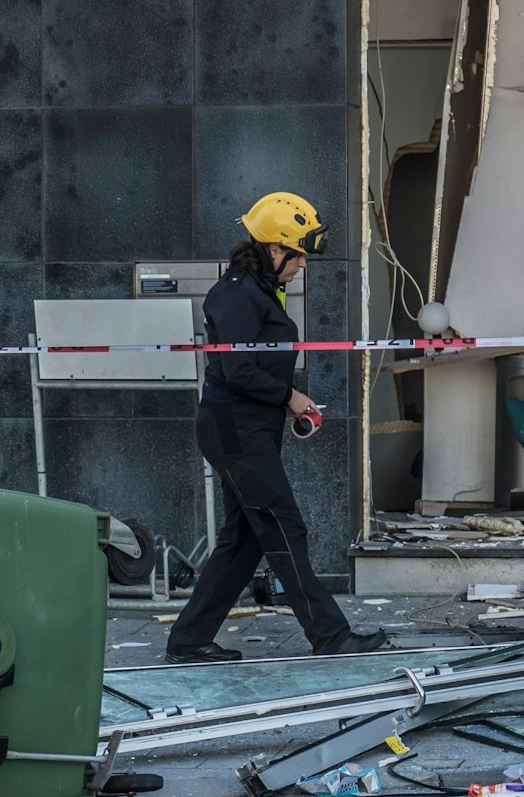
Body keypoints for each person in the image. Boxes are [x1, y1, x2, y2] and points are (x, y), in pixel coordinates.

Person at [165, 191, 388, 662]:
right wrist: (290, 397)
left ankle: (187, 641)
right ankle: (330, 636)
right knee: (286, 529)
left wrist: (285, 404)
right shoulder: (235, 294)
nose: (302, 264)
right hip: (236, 430)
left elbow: (250, 366)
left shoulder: (255, 290)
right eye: (298, 254)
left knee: (245, 540)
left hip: (246, 429)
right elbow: (237, 369)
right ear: (274, 249)